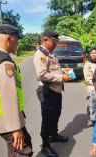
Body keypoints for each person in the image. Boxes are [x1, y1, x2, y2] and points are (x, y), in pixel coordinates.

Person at [0, 24, 33, 157]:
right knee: (23, 151)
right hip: (7, 119)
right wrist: (15, 128)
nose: (18, 44)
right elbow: (8, 96)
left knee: (15, 149)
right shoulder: (5, 63)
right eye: (17, 40)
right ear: (9, 38)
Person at [33, 29, 72, 157]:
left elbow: (54, 70)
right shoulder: (41, 55)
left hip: (56, 90)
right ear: (45, 40)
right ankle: (45, 145)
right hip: (47, 91)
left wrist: (63, 71)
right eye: (54, 42)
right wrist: (61, 78)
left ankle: (54, 135)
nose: (56, 45)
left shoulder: (50, 54)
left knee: (56, 114)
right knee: (47, 119)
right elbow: (42, 75)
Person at [83, 46, 96, 121]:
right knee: (94, 96)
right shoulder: (87, 64)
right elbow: (87, 78)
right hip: (92, 85)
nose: (93, 55)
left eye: (95, 53)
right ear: (89, 54)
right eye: (92, 53)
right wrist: (95, 84)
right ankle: (92, 114)